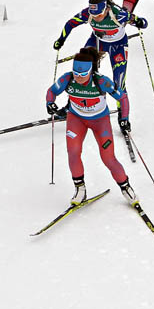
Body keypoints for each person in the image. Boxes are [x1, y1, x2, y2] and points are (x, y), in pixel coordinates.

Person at [45, 47, 139, 206]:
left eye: (83, 74)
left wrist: (124, 118)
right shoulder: (67, 79)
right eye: (76, 73)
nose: (79, 77)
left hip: (100, 121)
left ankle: (125, 186)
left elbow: (122, 97)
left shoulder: (101, 81)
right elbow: (51, 91)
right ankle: (80, 189)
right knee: (73, 153)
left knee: (108, 158)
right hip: (76, 119)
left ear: (90, 71)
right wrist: (49, 103)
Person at [53, 0, 148, 92]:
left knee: (119, 81)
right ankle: (83, 98)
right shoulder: (87, 13)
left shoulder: (119, 14)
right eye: (93, 15)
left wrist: (139, 22)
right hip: (97, 41)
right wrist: (61, 40)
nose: (95, 18)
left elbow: (143, 23)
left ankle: (121, 105)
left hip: (118, 45)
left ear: (106, 9)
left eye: (98, 15)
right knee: (83, 69)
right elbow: (70, 24)